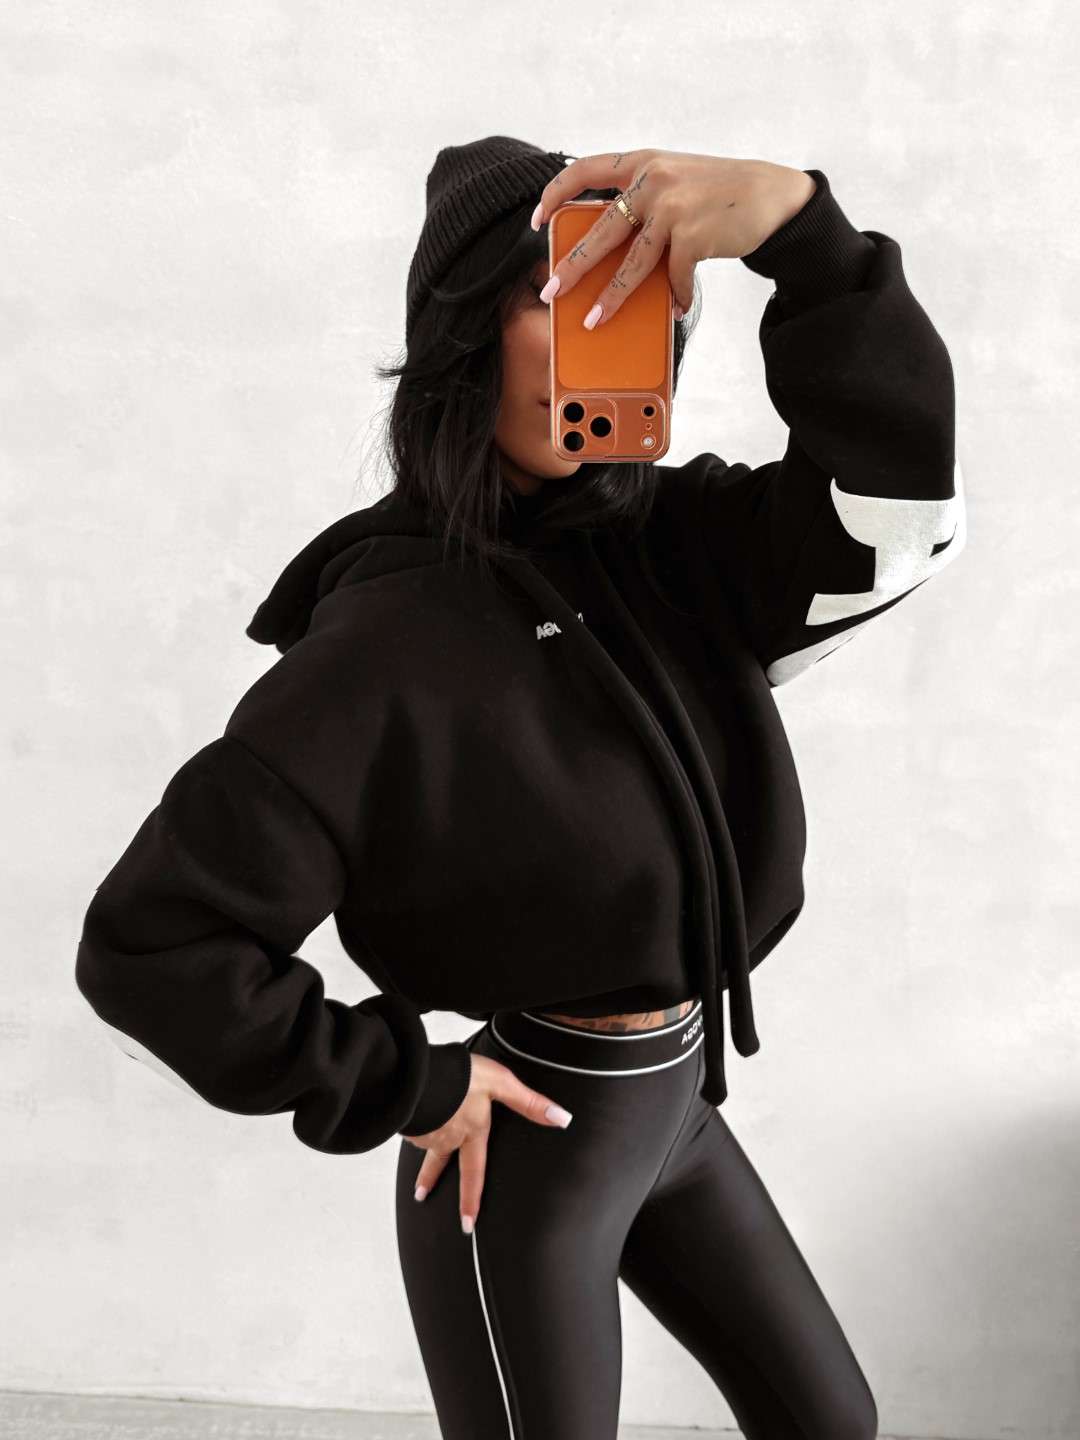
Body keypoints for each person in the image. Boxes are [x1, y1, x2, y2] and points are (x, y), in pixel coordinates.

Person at [75, 136, 965, 1439]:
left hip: (677, 1113)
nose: (614, 340)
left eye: (641, 306)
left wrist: (807, 243)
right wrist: (406, 1082)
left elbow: (898, 517)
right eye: (566, 301)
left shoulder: (680, 552)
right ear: (462, 339)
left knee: (833, 1422)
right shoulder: (382, 641)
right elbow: (152, 942)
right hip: (521, 1152)